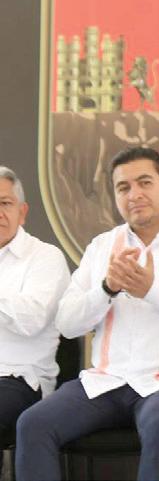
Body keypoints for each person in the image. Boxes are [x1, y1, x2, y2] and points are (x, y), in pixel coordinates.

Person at [16, 147, 159, 481]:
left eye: (144, 182)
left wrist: (152, 291)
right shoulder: (102, 246)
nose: (134, 194)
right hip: (106, 381)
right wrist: (106, 288)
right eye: (123, 187)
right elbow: (67, 323)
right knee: (33, 424)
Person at [0, 166, 70, 439]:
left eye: (5, 203)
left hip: (19, 379)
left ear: (23, 212)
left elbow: (31, 320)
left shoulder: (45, 257)